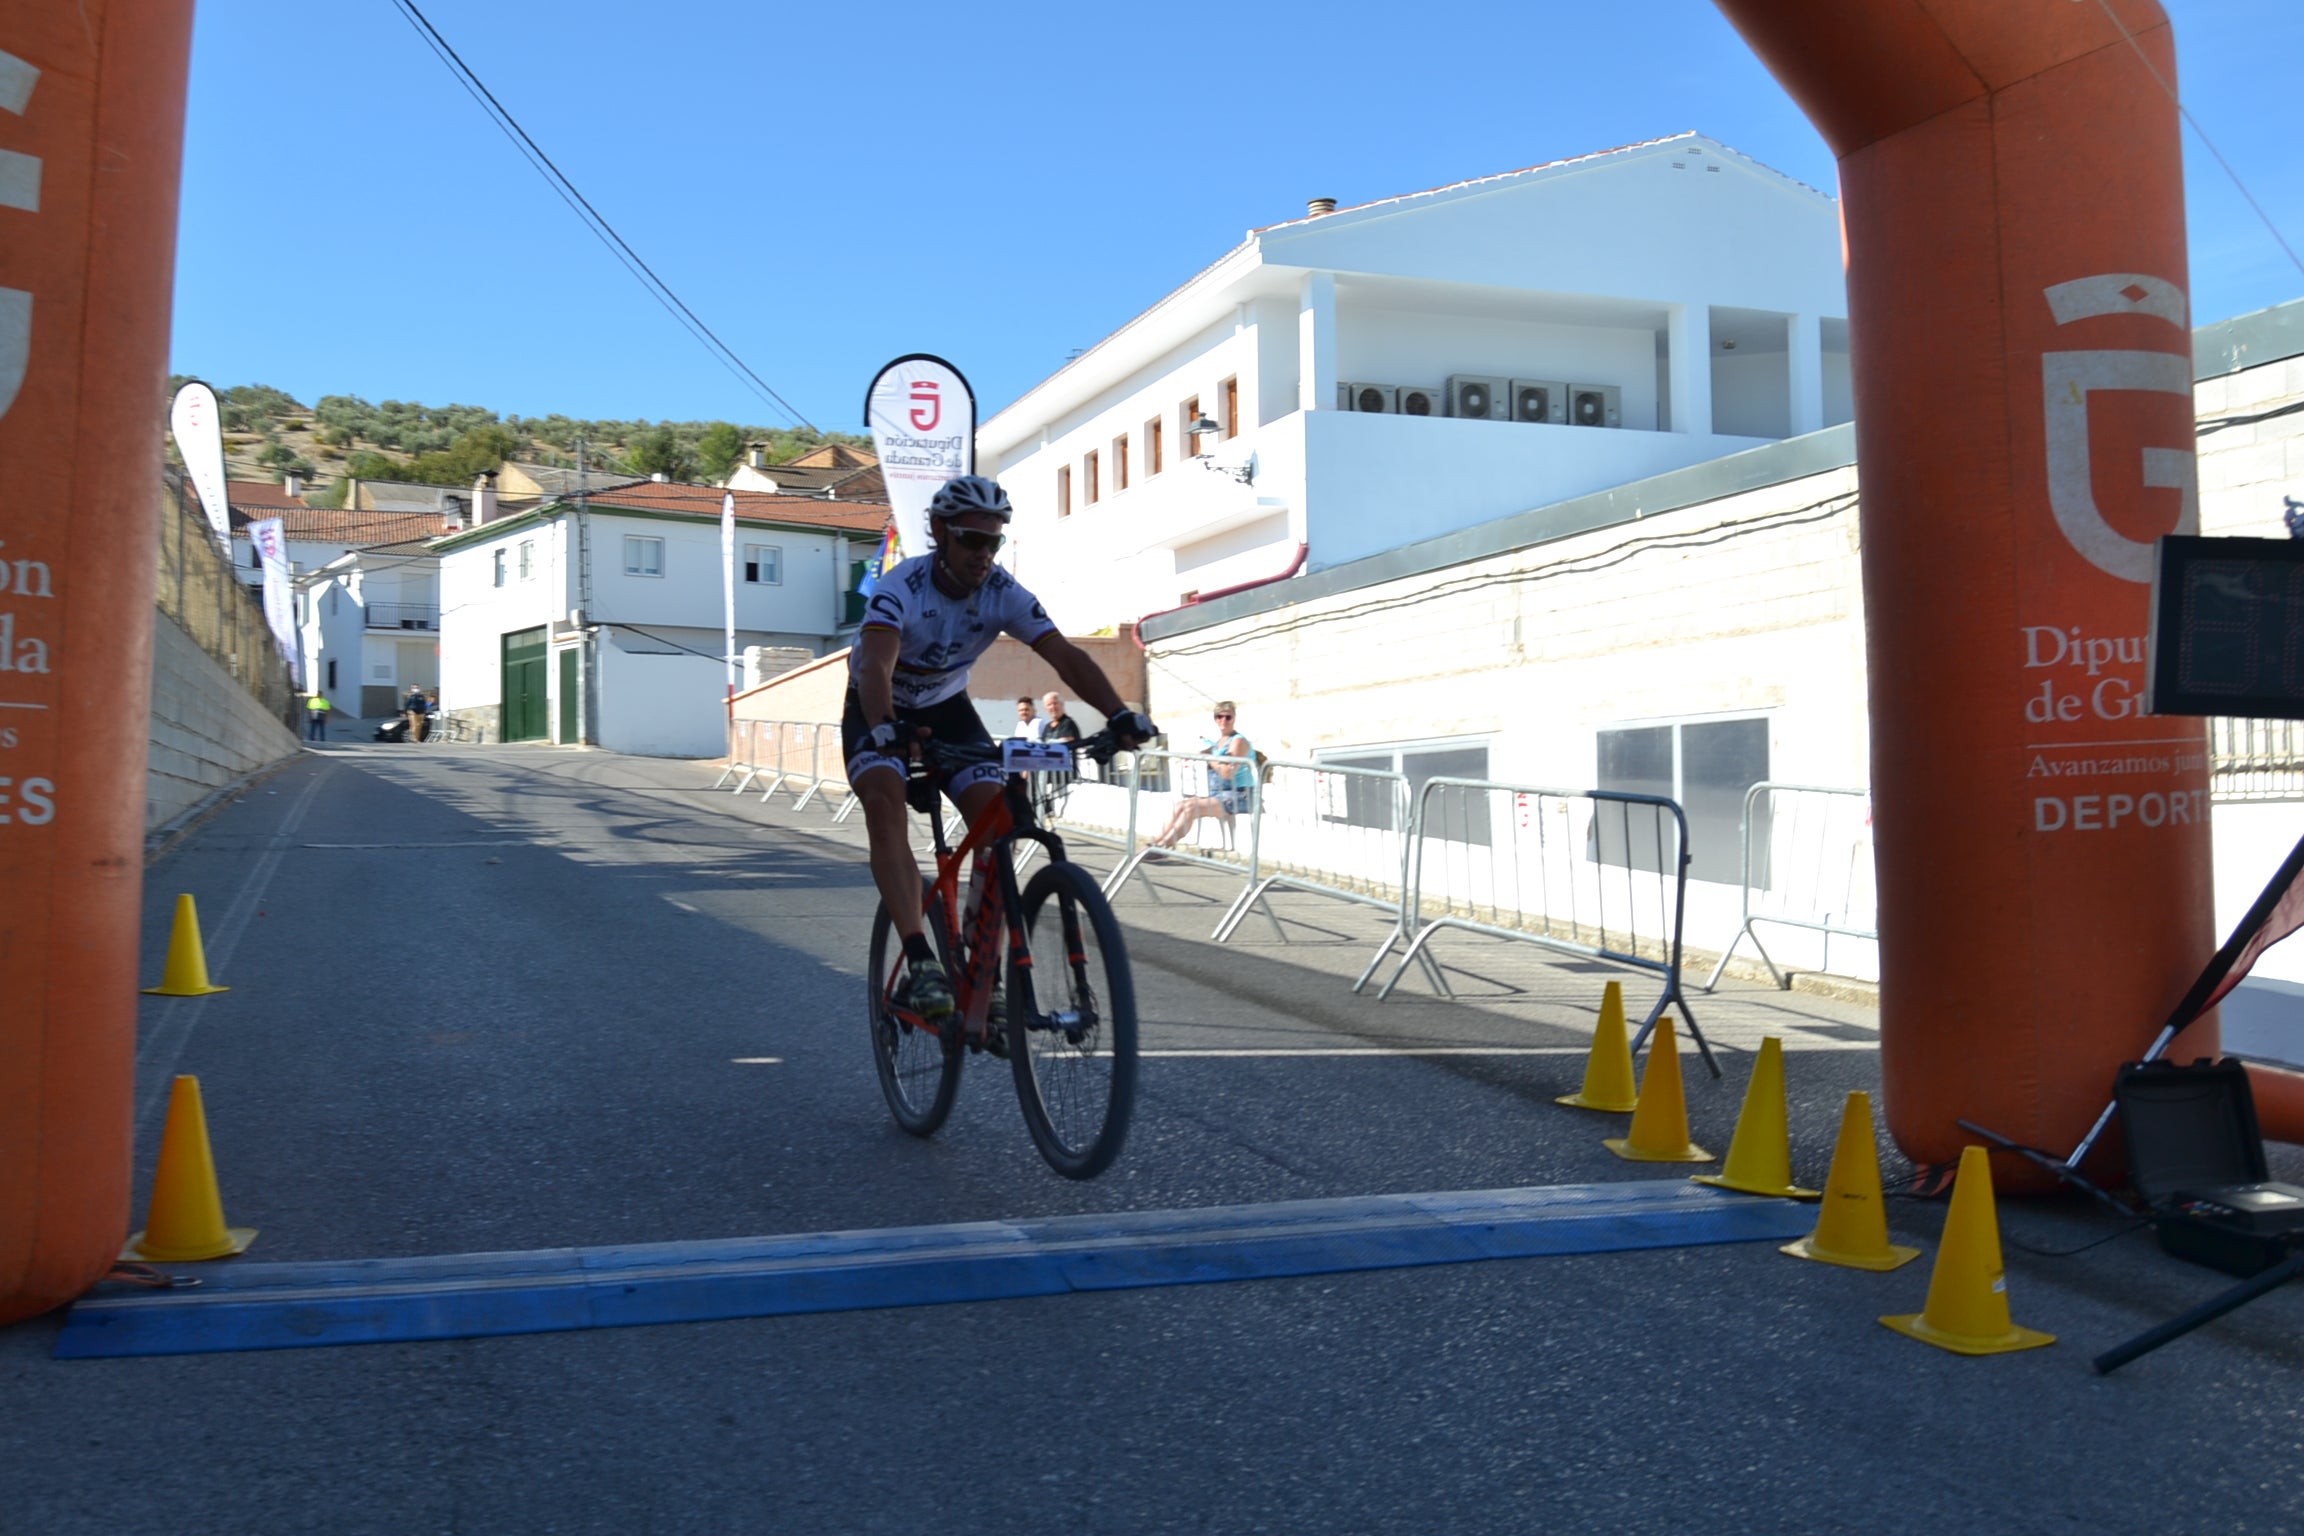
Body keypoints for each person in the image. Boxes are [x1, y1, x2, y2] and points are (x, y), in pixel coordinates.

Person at [848, 474, 1156, 1036]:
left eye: (994, 542)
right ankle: (920, 960)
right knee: (885, 799)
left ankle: (978, 970)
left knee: (1000, 819)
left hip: (946, 708)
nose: (983, 554)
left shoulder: (1002, 592)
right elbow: (874, 666)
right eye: (971, 540)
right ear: (941, 532)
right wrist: (885, 729)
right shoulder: (902, 587)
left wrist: (1118, 714)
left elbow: (1064, 654)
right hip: (879, 706)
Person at [1149, 701, 1253, 850]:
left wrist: (1210, 759)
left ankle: (1163, 847)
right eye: (1219, 717)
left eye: (1228, 717)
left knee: (1191, 808)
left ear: (1234, 718)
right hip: (1219, 795)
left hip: (1239, 795)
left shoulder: (1238, 741)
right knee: (1181, 805)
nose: (1223, 720)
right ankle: (1154, 843)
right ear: (1215, 719)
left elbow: (1228, 772)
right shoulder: (1218, 743)